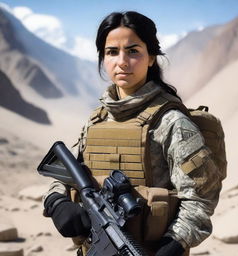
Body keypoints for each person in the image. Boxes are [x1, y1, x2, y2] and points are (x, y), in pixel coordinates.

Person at [43, 11, 223, 256]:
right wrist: (57, 202)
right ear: (102, 58)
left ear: (151, 58)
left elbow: (201, 197)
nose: (122, 62)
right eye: (112, 52)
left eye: (133, 51)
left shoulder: (171, 122)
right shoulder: (97, 120)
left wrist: (174, 244)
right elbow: (66, 174)